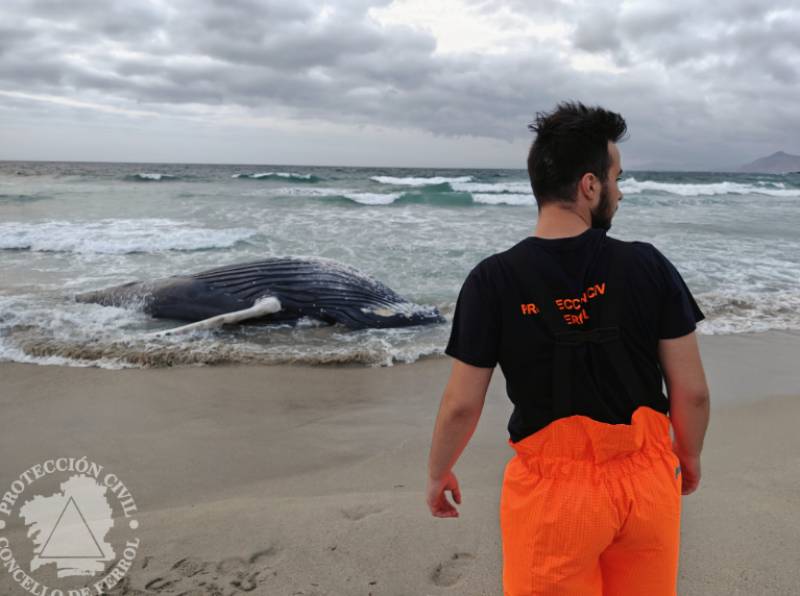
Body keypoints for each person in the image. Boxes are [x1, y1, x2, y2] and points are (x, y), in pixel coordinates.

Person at [426, 101, 710, 595]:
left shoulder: (492, 280)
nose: (619, 193)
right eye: (616, 179)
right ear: (589, 185)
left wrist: (438, 471)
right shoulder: (648, 265)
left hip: (553, 502)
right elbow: (694, 392)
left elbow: (461, 404)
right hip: (647, 488)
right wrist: (689, 455)